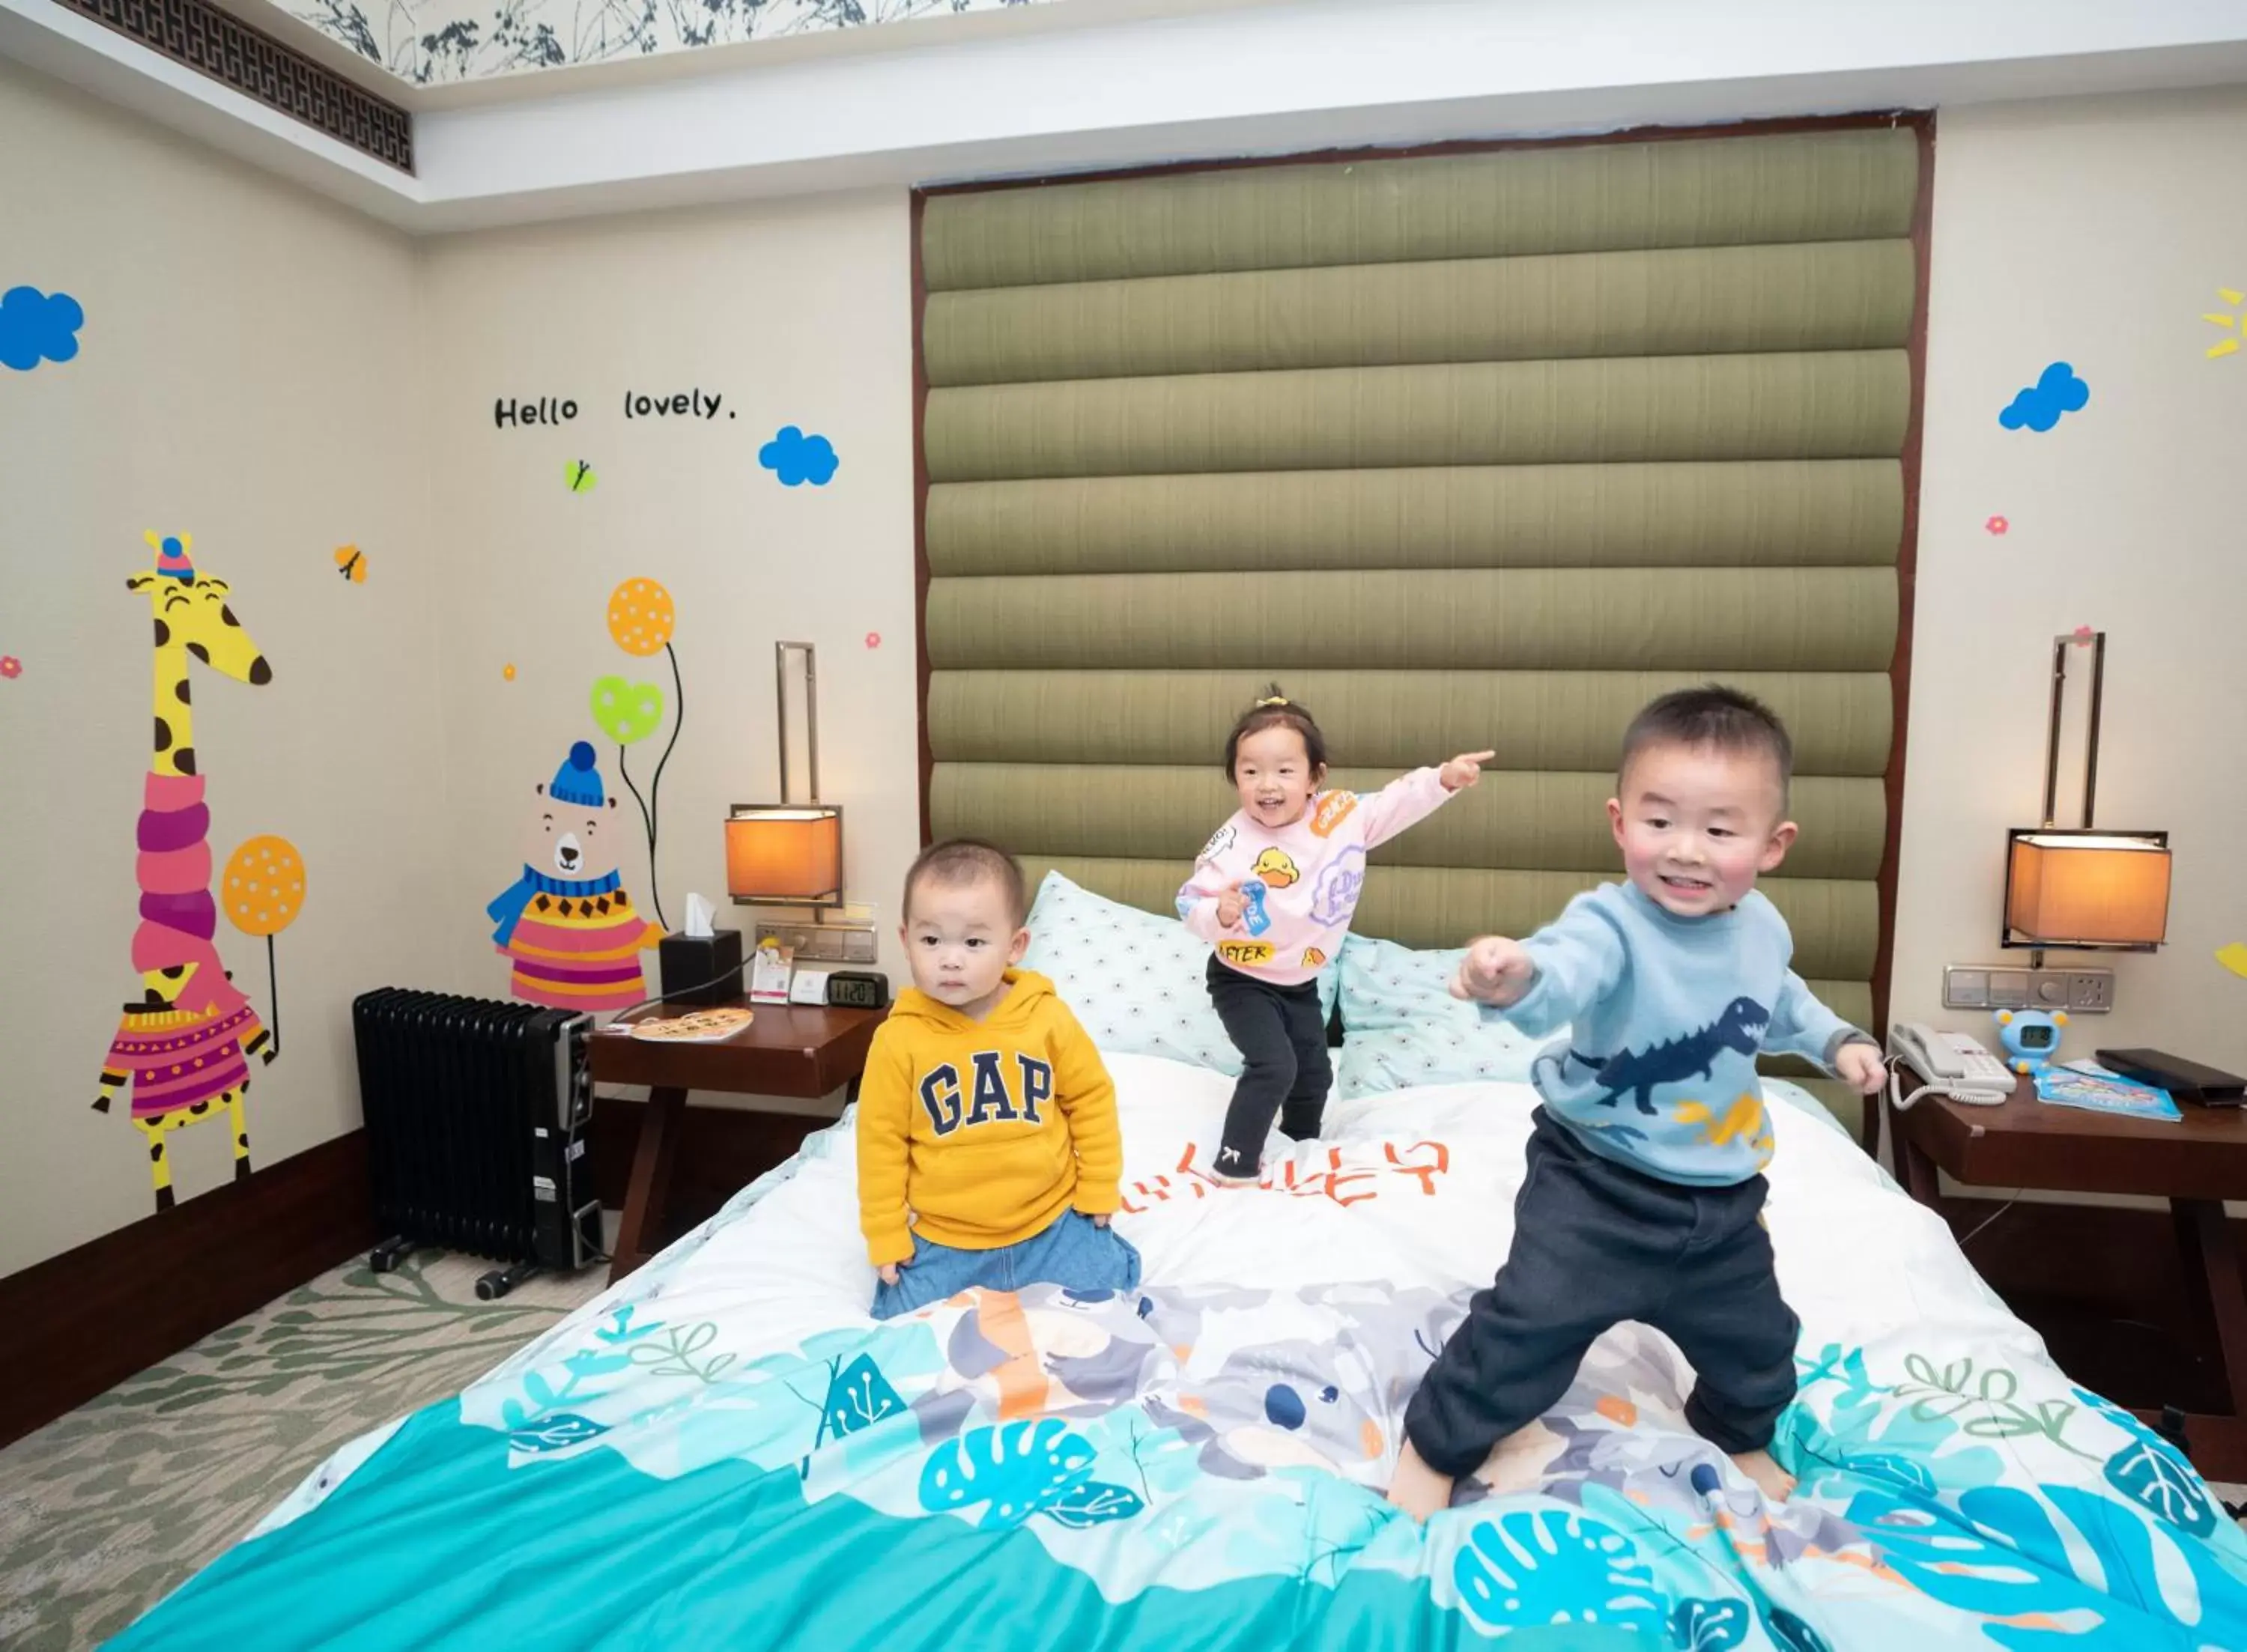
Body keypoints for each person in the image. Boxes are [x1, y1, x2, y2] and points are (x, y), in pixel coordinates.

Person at [1387, 685, 1887, 1516]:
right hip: (1595, 1185)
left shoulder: (1762, 928)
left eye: (1720, 830)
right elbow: (1564, 970)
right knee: (1526, 1329)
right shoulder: (1609, 925)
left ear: (1773, 844)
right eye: (1661, 823)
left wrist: (1838, 1041)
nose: (1686, 850)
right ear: (1621, 823)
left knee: (1761, 1346)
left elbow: (1782, 1000)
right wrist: (1513, 977)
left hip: (1724, 1202)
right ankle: (1436, 1442)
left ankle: (1733, 1430)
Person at [1177, 687, 1492, 1184]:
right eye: (1250, 771)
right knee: (1273, 1066)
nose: (1267, 785)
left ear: (1315, 777)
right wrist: (1220, 909)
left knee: (1314, 1074)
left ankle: (1300, 1148)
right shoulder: (1233, 841)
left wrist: (1443, 780)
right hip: (1241, 978)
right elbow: (1188, 903)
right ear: (1235, 776)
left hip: (1299, 981)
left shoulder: (1340, 817)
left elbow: (1396, 802)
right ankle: (1233, 1163)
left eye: (1285, 770)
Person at [857, 837, 1137, 1319]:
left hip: (1049, 1224)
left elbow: (1091, 1101)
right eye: (931, 940)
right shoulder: (897, 1040)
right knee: (900, 1320)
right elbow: (879, 1143)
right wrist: (885, 1233)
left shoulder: (1046, 1019)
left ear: (1015, 946)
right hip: (947, 1236)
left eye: (973, 942)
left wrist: (1098, 1188)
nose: (950, 958)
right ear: (905, 941)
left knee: (1112, 1288)